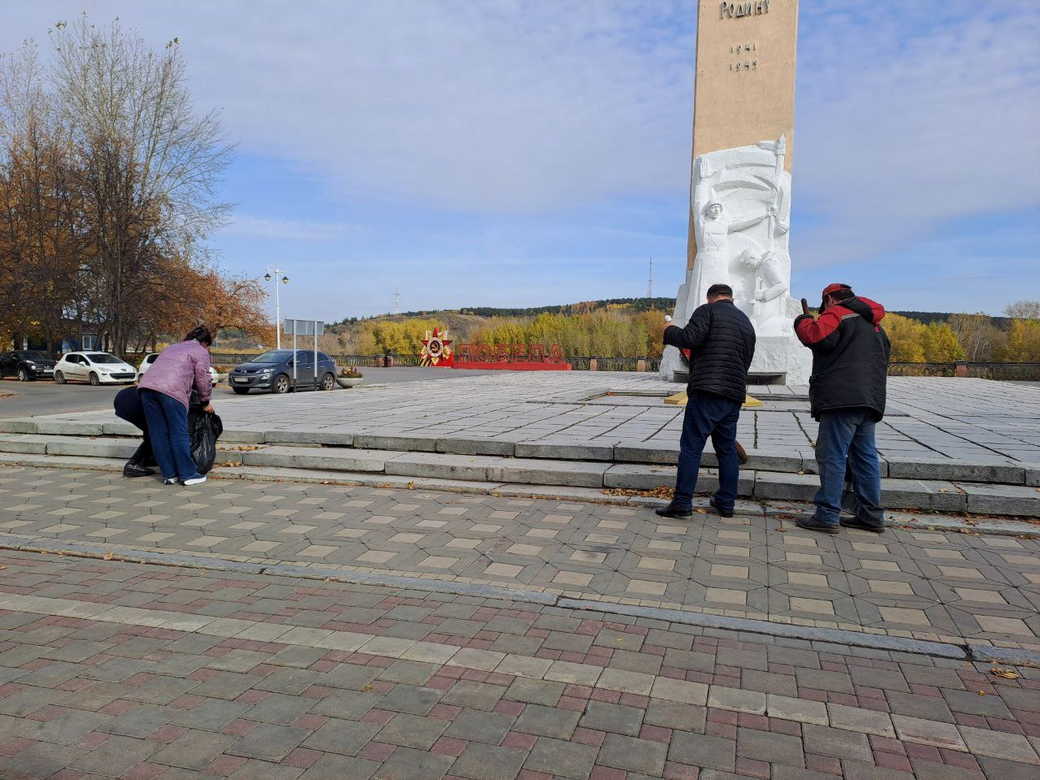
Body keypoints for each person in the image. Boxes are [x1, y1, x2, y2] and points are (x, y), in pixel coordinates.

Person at [793, 283, 891, 534]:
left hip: (841, 398)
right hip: (869, 398)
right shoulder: (874, 322)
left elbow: (815, 336)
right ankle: (870, 515)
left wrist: (802, 320)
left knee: (832, 455)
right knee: (865, 457)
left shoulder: (837, 313)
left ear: (830, 299)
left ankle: (827, 514)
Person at [656, 283, 756, 519]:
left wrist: (670, 330)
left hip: (707, 390)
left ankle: (682, 503)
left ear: (711, 298)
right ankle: (726, 502)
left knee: (691, 448)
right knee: (726, 449)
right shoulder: (745, 322)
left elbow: (690, 338)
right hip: (733, 393)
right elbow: (747, 358)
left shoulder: (707, 311)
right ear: (730, 297)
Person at [137, 325, 215, 486]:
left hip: (146, 389)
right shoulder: (201, 351)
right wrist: (205, 401)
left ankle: (169, 474)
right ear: (205, 342)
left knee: (158, 433)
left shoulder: (172, 347)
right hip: (171, 391)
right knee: (178, 432)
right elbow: (203, 378)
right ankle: (188, 474)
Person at [113, 386, 155, 477]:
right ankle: (133, 464)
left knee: (151, 432)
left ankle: (147, 458)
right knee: (154, 434)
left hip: (128, 396)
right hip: (131, 402)